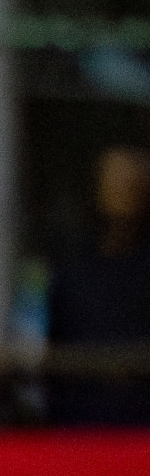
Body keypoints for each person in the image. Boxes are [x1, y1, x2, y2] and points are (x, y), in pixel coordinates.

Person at [46, 145, 150, 425]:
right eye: (115, 181)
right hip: (79, 430)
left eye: (132, 183)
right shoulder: (72, 269)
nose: (124, 191)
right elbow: (56, 347)